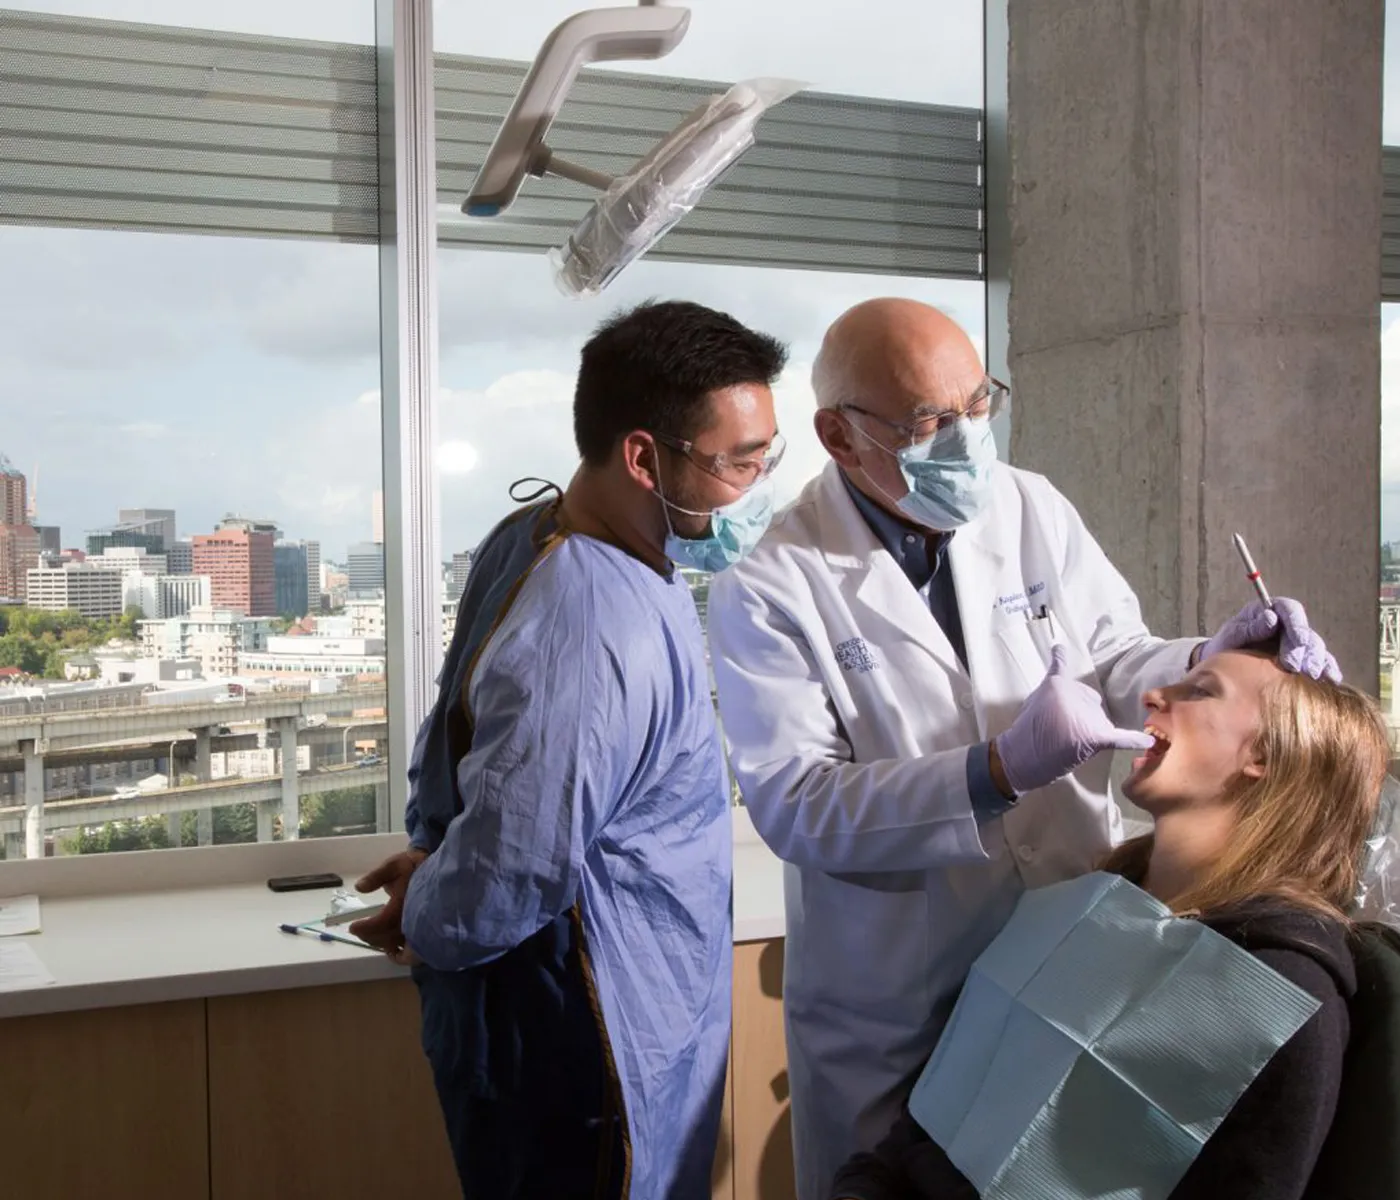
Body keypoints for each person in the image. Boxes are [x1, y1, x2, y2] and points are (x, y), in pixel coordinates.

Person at [705, 297, 1340, 1199]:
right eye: (930, 421)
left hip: (1067, 956)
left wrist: (1208, 655)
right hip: (899, 999)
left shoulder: (1027, 505)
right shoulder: (771, 582)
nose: (966, 439)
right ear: (840, 439)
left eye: (978, 404)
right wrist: (994, 771)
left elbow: (1119, 658)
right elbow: (798, 806)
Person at [350, 299, 788, 1199]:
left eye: (762, 457)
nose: (755, 486)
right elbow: (513, 866)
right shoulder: (594, 625)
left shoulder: (542, 538)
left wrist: (433, 858)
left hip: (619, 1002)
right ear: (642, 456)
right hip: (586, 1031)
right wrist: (431, 906)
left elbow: (462, 752)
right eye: (736, 463)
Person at [829, 647, 1386, 1200]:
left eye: (1200, 690)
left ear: (1264, 753)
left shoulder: (1283, 993)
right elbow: (918, 1128)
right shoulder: (1079, 911)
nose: (1152, 695)